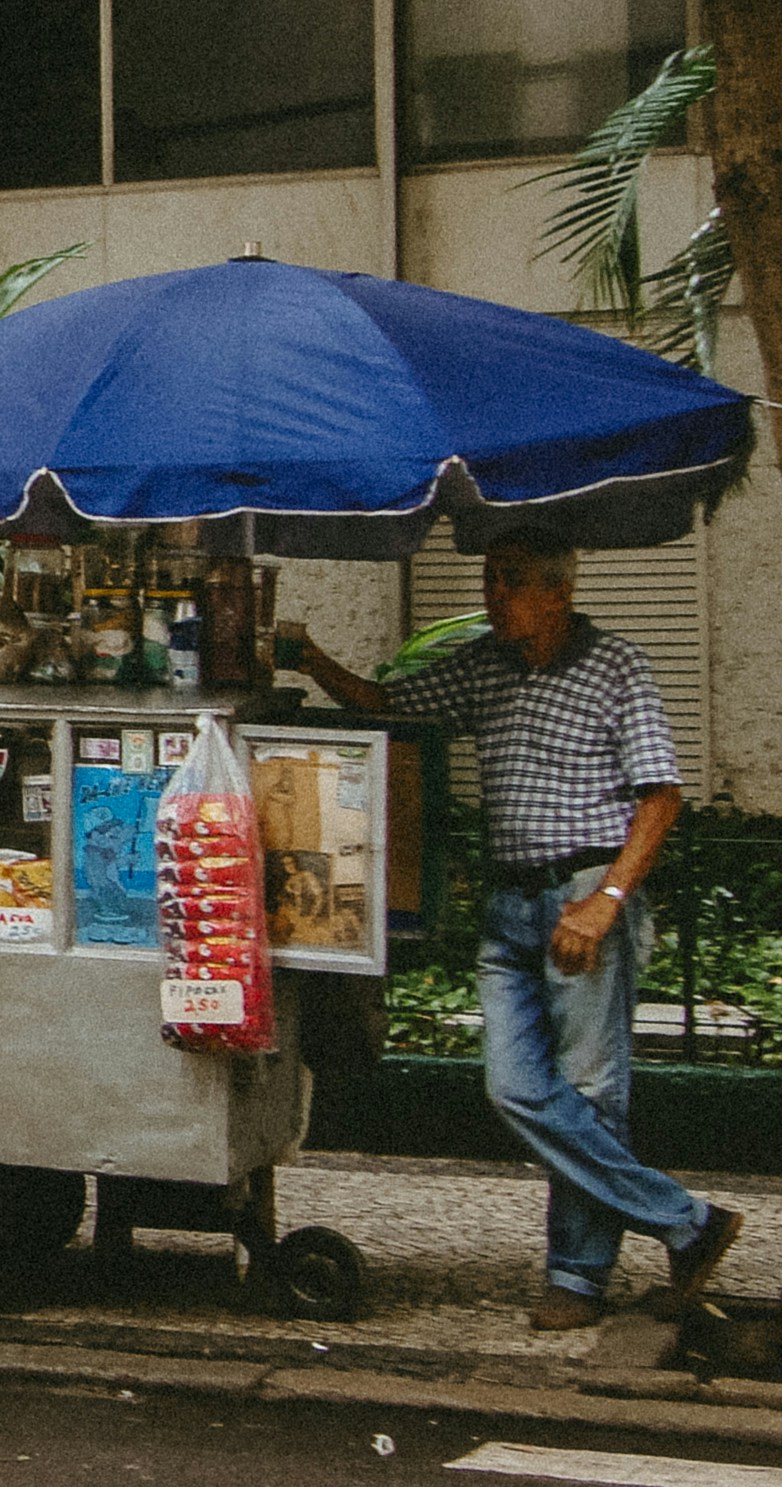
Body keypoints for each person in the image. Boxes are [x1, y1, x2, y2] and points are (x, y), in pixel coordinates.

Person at [297, 535, 741, 1331]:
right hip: (511, 905)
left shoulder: (618, 666)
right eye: (489, 580)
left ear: (557, 593)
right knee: (513, 1088)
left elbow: (662, 795)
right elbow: (386, 705)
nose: (493, 596)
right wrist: (308, 657)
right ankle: (687, 1221)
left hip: (583, 895)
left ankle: (577, 1276)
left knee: (591, 1092)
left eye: (507, 584)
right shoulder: (485, 665)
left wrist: (606, 900)